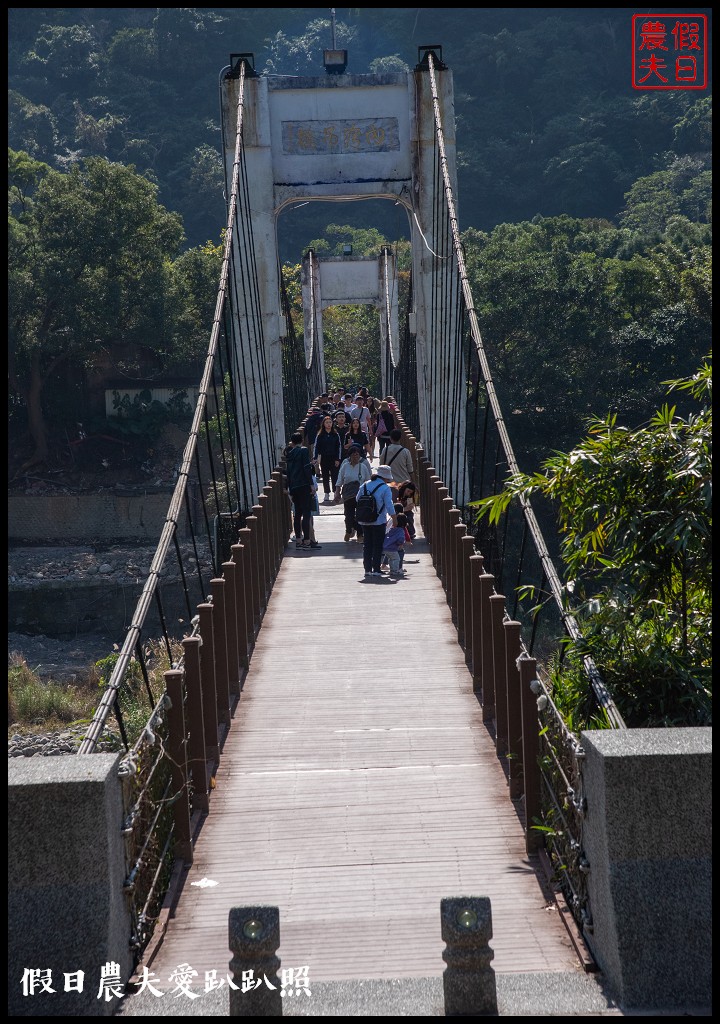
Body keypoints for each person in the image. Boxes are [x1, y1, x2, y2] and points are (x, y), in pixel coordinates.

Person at [355, 464, 397, 578]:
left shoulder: (364, 485)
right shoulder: (385, 488)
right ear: (386, 477)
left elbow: (357, 499)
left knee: (367, 544)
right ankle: (376, 569)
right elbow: (389, 505)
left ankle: (367, 569)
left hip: (364, 520)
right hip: (378, 520)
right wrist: (394, 518)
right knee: (377, 545)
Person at [284, 432, 318, 551]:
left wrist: (288, 487)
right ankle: (307, 542)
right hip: (304, 485)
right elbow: (305, 468)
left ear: (292, 442)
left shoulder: (289, 453)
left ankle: (298, 541)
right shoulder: (303, 450)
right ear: (302, 440)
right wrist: (311, 485)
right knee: (306, 513)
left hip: (294, 486)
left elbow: (289, 471)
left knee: (297, 514)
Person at [334, 444, 372, 542]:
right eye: (354, 455)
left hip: (360, 495)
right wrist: (337, 493)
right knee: (348, 515)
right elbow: (339, 480)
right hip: (348, 495)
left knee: (359, 515)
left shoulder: (363, 467)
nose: (356, 457)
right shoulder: (345, 466)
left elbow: (368, 480)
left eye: (357, 455)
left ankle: (360, 535)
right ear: (349, 456)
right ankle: (348, 530)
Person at [312, 414, 342, 501]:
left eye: (330, 422)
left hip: (333, 458)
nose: (329, 424)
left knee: (334, 475)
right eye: (327, 422)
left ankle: (335, 492)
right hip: (324, 458)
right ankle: (326, 493)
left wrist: (338, 459)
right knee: (325, 475)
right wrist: (315, 457)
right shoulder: (320, 435)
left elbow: (338, 447)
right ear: (323, 424)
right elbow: (316, 446)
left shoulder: (335, 434)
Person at [383, 512, 410, 577]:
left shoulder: (391, 529)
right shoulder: (400, 530)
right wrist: (400, 543)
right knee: (396, 559)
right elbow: (400, 538)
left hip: (386, 547)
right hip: (393, 548)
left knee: (391, 559)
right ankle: (395, 570)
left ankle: (392, 570)